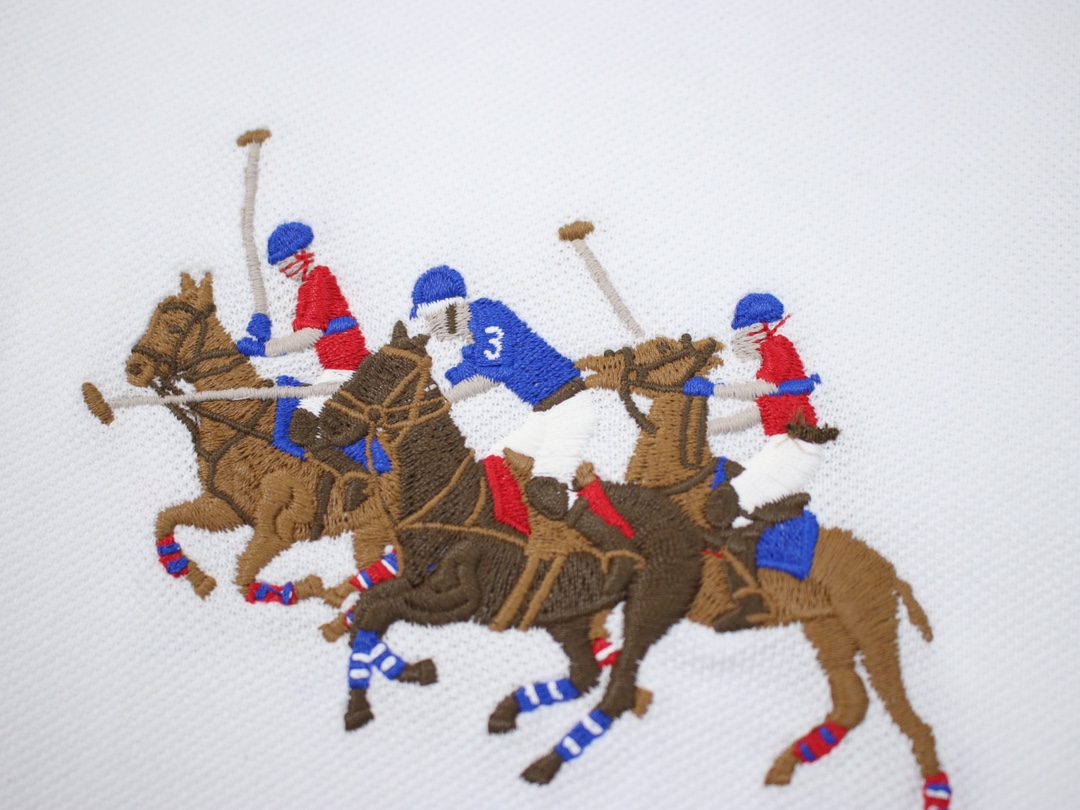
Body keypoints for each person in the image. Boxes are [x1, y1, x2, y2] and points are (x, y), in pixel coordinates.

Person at [410, 265, 595, 486]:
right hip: (545, 411)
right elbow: (470, 369)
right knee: (497, 463)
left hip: (568, 407)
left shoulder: (490, 320)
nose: (431, 328)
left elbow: (490, 376)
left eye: (432, 319)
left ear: (449, 310)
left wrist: (445, 399)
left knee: (550, 480)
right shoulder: (477, 333)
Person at [237, 222, 369, 457]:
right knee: (287, 387)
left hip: (346, 366)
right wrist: (264, 332)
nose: (284, 271)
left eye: (286, 263)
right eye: (280, 267)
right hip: (330, 364)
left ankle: (345, 462)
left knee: (306, 419)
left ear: (302, 254)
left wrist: (265, 349)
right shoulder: (307, 287)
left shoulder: (320, 280)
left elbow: (310, 335)